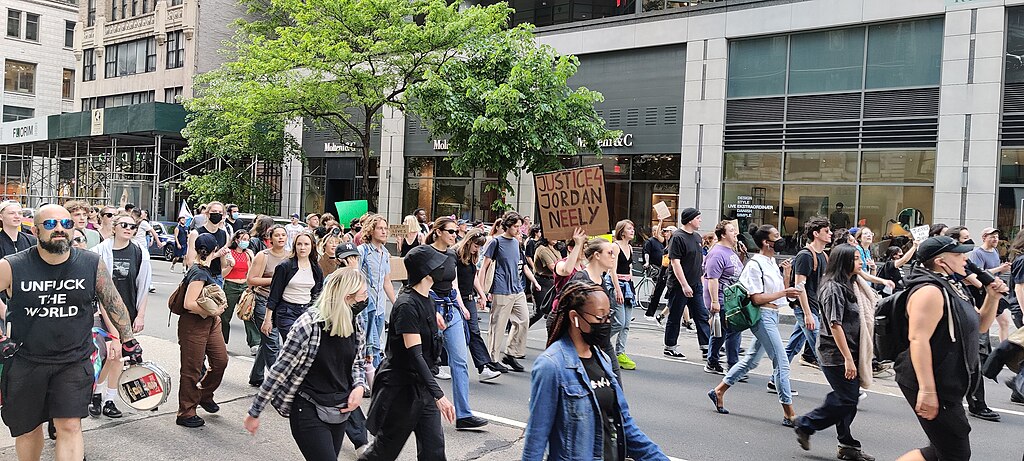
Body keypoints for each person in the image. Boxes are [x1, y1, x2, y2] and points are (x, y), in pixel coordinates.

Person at [0, 205, 142, 461]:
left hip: (73, 360)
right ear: (35, 230)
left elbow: (112, 301)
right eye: (51, 224)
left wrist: (128, 338)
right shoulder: (12, 266)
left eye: (66, 225)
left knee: (70, 425)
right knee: (29, 430)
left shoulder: (90, 263)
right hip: (26, 360)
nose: (59, 230)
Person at [523, 282, 669, 461]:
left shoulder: (603, 360)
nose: (606, 323)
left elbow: (626, 426)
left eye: (608, 317)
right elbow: (536, 439)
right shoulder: (551, 366)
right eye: (600, 318)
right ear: (575, 317)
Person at [894, 236, 1002, 461]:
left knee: (943, 451)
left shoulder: (954, 286)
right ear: (941, 261)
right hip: (931, 381)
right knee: (956, 453)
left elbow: (980, 325)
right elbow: (918, 339)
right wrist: (927, 390)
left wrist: (992, 297)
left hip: (949, 381)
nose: (965, 258)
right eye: (959, 254)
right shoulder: (929, 292)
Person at [246, 268, 370, 459]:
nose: (366, 299)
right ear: (347, 297)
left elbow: (358, 362)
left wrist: (359, 386)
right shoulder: (309, 324)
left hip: (339, 411)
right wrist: (255, 411)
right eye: (363, 295)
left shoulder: (356, 320)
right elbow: (280, 369)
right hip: (308, 408)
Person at [361, 245, 456, 460]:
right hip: (402, 390)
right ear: (426, 271)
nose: (444, 268)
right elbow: (415, 356)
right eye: (438, 264)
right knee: (384, 452)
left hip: (422, 387)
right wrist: (439, 395)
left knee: (434, 451)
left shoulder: (428, 298)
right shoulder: (406, 305)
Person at [709, 225, 801, 425]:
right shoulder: (755, 264)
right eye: (776, 237)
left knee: (751, 360)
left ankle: (718, 391)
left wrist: (787, 274)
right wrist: (784, 293)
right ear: (766, 243)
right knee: (782, 362)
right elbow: (757, 298)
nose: (780, 239)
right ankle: (789, 412)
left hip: (773, 315)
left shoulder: (771, 262)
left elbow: (780, 293)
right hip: (762, 316)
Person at [793, 244, 875, 461]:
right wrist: (848, 359)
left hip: (853, 350)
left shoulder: (852, 284)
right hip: (836, 353)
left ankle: (847, 445)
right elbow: (835, 324)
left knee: (848, 399)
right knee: (847, 398)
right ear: (844, 261)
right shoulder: (833, 288)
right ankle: (805, 424)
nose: (861, 262)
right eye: (856, 259)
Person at [424, 217, 490, 429]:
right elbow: (419, 287)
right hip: (431, 310)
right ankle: (416, 408)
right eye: (451, 231)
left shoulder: (452, 255)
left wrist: (461, 307)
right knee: (424, 362)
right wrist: (431, 311)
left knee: (460, 362)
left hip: (452, 310)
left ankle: (463, 415)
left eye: (455, 231)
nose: (455, 235)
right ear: (437, 232)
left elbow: (454, 285)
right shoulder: (424, 254)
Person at [89, 212, 152, 418]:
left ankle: (107, 399)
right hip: (103, 313)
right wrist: (114, 328)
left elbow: (143, 286)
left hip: (128, 314)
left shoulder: (139, 252)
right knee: (109, 354)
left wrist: (140, 315)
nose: (128, 229)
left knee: (118, 358)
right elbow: (99, 292)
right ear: (114, 226)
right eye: (124, 225)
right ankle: (99, 394)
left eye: (133, 227)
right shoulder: (99, 251)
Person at [176, 233, 229, 428]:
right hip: (194, 324)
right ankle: (186, 412)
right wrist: (213, 310)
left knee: (221, 360)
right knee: (192, 369)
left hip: (210, 322)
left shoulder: (202, 266)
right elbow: (189, 303)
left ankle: (204, 394)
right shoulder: (198, 272)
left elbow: (208, 258)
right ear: (214, 249)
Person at [479, 211, 541, 372]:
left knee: (523, 320)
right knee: (497, 326)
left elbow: (523, 266)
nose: (518, 229)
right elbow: (484, 267)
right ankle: (492, 359)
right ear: (507, 226)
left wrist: (534, 281)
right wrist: (482, 292)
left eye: (520, 226)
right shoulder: (496, 242)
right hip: (501, 289)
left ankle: (511, 353)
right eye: (515, 226)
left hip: (517, 288)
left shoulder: (517, 242)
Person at [781, 218, 832, 378]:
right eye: (826, 231)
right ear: (816, 234)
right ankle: (843, 388)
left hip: (815, 309)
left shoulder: (823, 255)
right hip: (806, 309)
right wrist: (808, 314)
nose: (830, 234)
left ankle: (776, 379)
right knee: (821, 349)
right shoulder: (805, 256)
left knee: (793, 347)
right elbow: (800, 287)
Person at [454, 229, 506, 380]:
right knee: (453, 334)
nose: (478, 249)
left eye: (480, 246)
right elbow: (454, 283)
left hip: (468, 298)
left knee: (474, 332)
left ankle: (483, 366)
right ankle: (436, 363)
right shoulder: (455, 255)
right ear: (469, 241)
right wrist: (461, 306)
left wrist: (482, 294)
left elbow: (474, 276)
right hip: (457, 298)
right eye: (476, 245)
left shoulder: (472, 256)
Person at [247, 225, 288, 387]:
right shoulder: (263, 256)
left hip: (283, 303)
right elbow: (251, 280)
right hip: (263, 301)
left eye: (283, 235)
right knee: (272, 342)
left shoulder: (290, 256)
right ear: (270, 238)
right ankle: (278, 384)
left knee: (267, 341)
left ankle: (257, 376)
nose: (280, 238)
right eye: (277, 235)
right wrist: (276, 280)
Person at [265, 232, 324, 339]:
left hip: (306, 311)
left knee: (304, 347)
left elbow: (318, 294)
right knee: (293, 342)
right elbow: (274, 294)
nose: (302, 248)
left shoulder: (316, 268)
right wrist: (267, 319)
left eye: (306, 244)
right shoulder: (285, 266)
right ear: (294, 246)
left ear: (312, 246)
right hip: (286, 311)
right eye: (299, 244)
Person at [703, 220, 744, 375]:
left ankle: (712, 361)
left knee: (720, 332)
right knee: (734, 330)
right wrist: (715, 302)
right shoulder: (717, 253)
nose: (736, 233)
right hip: (721, 298)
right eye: (732, 230)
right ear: (723, 235)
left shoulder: (730, 251)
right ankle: (733, 366)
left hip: (732, 299)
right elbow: (712, 279)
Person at [664, 207, 705, 360]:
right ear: (689, 220)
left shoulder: (697, 238)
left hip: (696, 284)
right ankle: (670, 346)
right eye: (698, 218)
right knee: (675, 315)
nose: (700, 220)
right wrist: (684, 284)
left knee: (701, 315)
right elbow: (675, 263)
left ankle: (706, 347)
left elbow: (698, 262)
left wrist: (701, 281)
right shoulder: (678, 237)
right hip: (680, 285)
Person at [358, 214, 397, 368]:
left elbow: (387, 281)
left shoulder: (384, 253)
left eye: (385, 228)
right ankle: (376, 382)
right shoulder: (363, 250)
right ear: (371, 230)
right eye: (380, 228)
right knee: (372, 345)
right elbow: (355, 276)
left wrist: (396, 303)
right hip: (366, 307)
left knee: (373, 344)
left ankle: (367, 377)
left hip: (380, 307)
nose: (384, 231)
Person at [222, 229, 258, 350]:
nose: (245, 242)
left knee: (248, 313)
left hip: (244, 285)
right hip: (230, 285)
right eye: (243, 239)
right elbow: (223, 274)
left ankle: (254, 343)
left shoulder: (248, 253)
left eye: (247, 240)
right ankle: (222, 342)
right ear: (236, 240)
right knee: (225, 316)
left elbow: (251, 271)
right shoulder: (229, 252)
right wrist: (231, 265)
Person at [186, 202, 230, 287]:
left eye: (220, 212)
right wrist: (216, 254)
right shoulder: (196, 233)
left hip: (217, 278)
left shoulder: (224, 234)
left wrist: (227, 258)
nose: (217, 214)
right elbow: (191, 262)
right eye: (214, 211)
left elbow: (223, 265)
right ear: (207, 213)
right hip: (199, 276)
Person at [529, 236, 559, 327]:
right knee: (539, 312)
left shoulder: (554, 249)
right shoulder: (542, 250)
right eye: (553, 235)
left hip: (552, 281)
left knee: (554, 310)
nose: (555, 238)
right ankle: (521, 327)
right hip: (542, 281)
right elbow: (553, 267)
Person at [643, 221, 669, 320]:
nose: (664, 233)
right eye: (664, 231)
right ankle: (650, 313)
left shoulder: (672, 241)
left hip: (670, 270)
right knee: (658, 290)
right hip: (663, 269)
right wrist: (661, 222)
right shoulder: (661, 241)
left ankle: (687, 319)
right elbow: (657, 234)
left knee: (675, 295)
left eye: (667, 232)